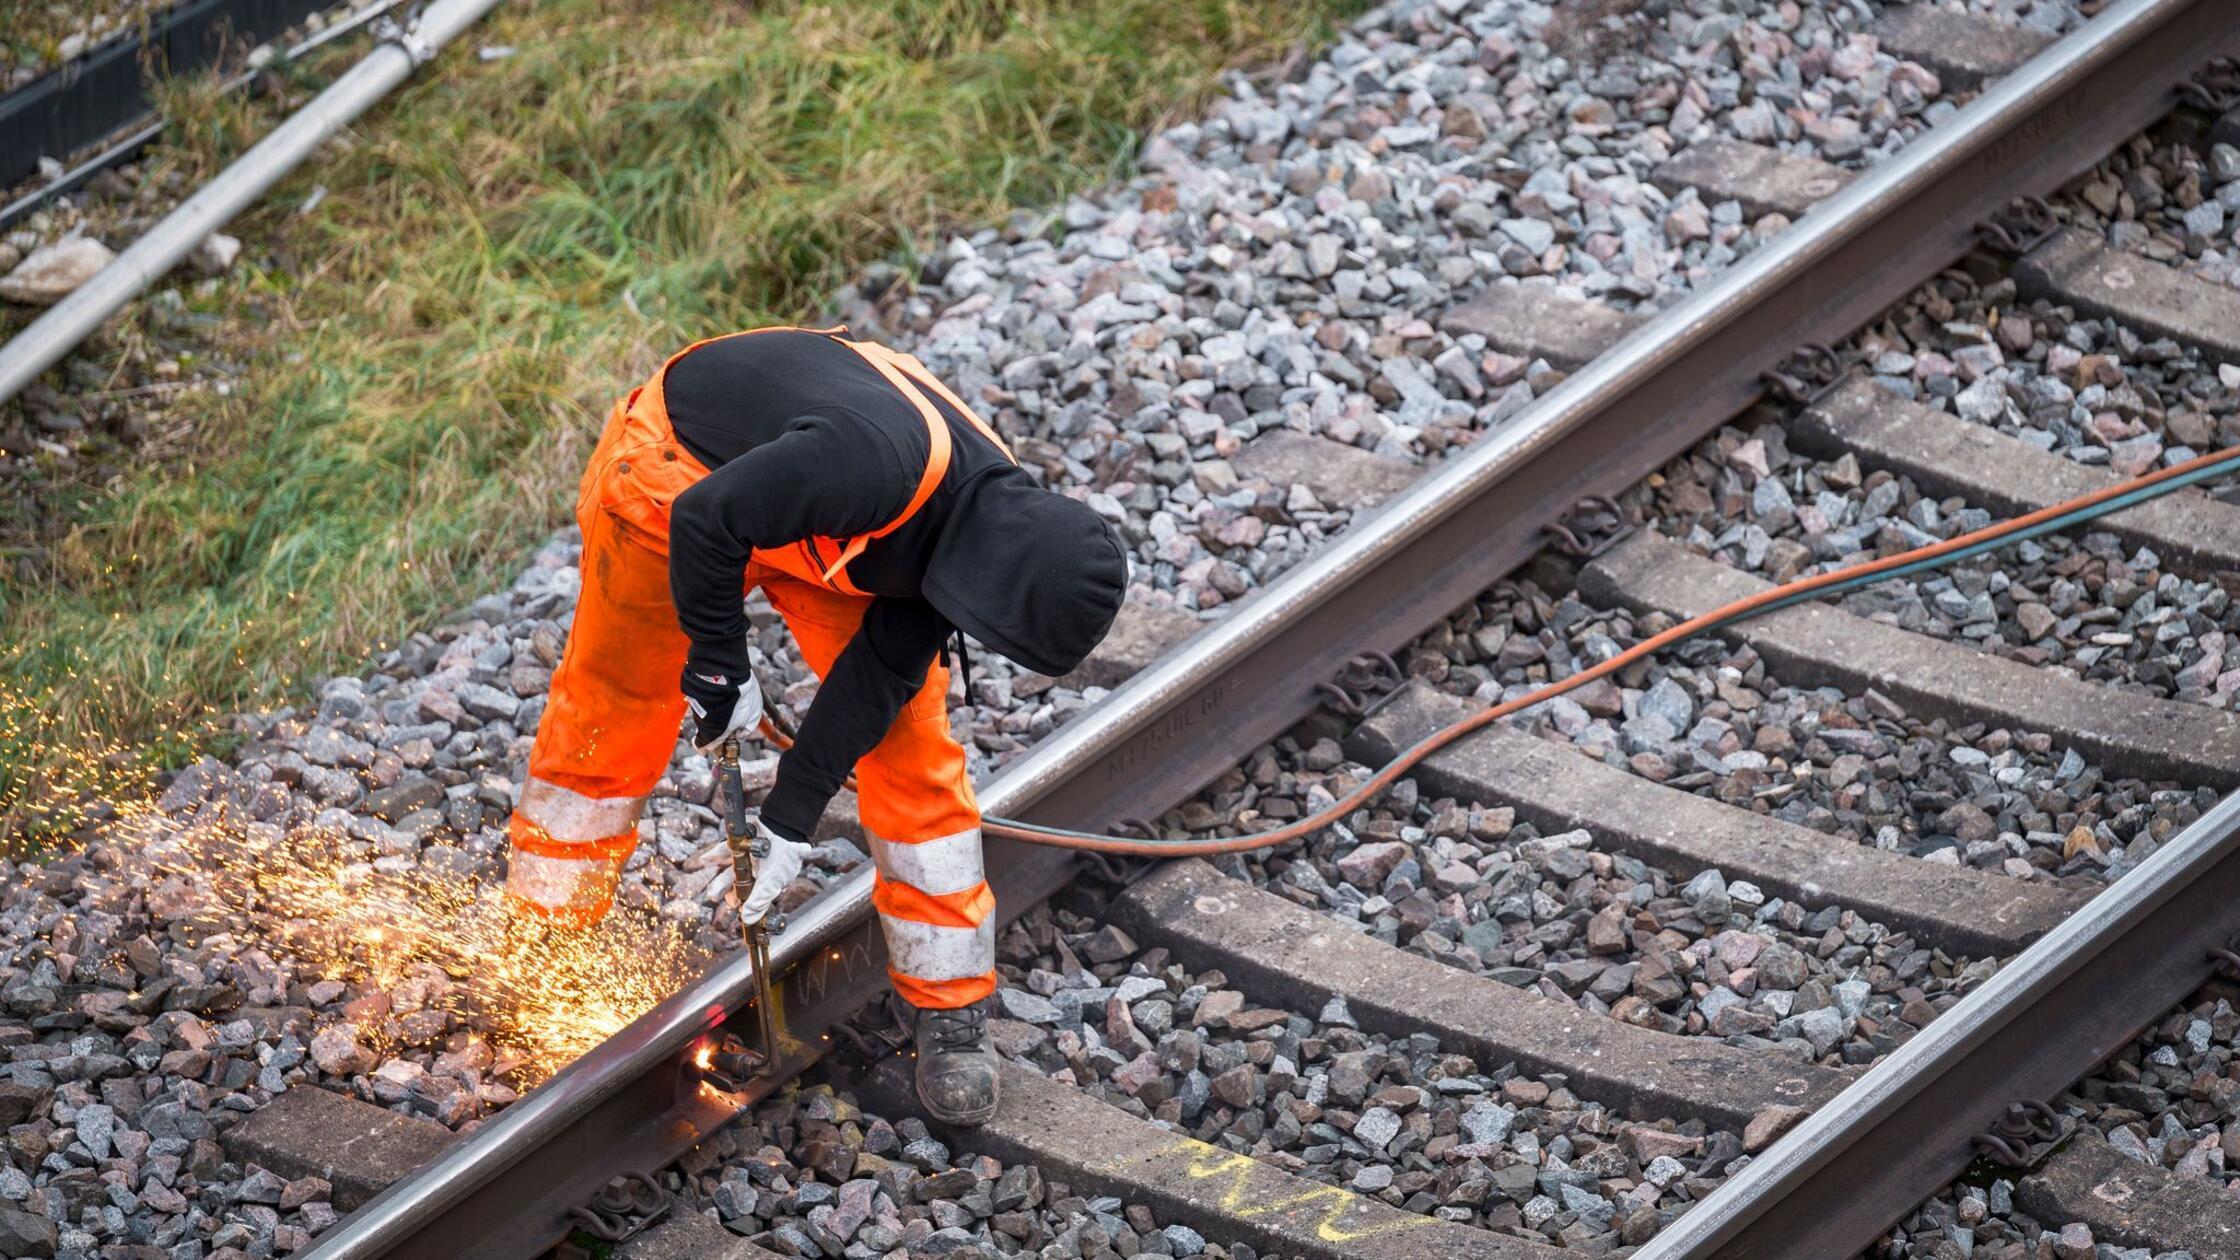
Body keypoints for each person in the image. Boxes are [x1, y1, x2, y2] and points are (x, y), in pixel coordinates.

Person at [502, 325, 1125, 1124]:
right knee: (615, 712)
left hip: (823, 512)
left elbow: (875, 684)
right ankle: (546, 942)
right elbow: (705, 520)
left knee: (912, 750)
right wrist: (722, 668)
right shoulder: (872, 467)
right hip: (680, 476)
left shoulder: (990, 534)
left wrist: (790, 817)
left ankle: (949, 1001)